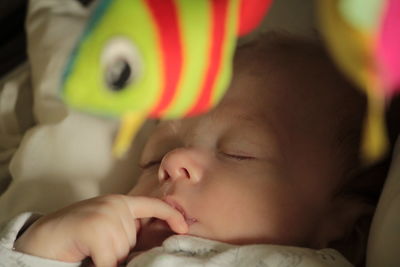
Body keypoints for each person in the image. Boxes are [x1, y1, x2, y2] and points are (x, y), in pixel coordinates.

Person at [1, 32, 375, 267]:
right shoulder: (98, 253)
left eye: (238, 153)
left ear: (345, 231)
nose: (172, 161)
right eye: (151, 158)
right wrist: (41, 247)